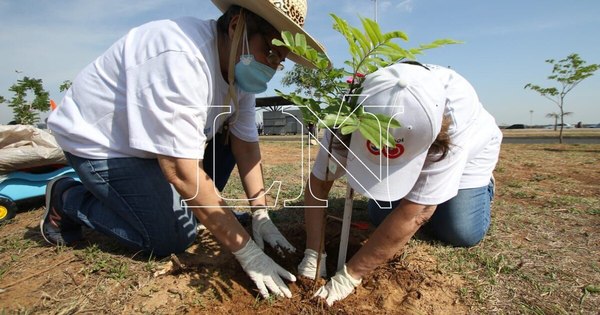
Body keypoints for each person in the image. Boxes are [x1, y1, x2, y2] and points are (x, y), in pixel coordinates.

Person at [43, 0, 328, 299]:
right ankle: (68, 198)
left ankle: (167, 203)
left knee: (219, 158)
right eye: (269, 53)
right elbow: (180, 170)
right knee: (171, 236)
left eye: (279, 60)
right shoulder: (179, 56)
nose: (271, 67)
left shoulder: (238, 70)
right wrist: (248, 253)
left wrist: (261, 213)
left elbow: (245, 144)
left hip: (157, 144)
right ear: (235, 27)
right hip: (104, 145)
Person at [297, 62, 502, 305]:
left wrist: (349, 276)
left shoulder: (453, 121)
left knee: (459, 231)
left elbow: (418, 213)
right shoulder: (350, 112)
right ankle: (436, 192)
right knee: (381, 216)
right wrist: (313, 252)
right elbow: (319, 184)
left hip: (471, 155)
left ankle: (475, 188)